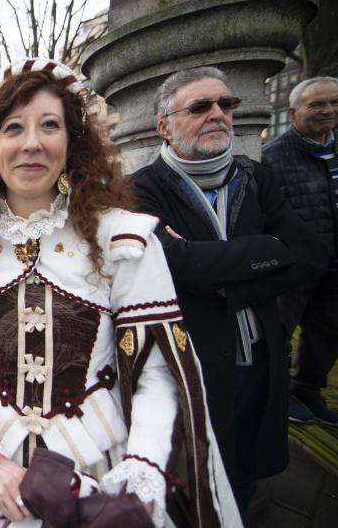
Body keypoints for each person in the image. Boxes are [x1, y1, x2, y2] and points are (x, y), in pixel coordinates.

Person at [0, 58, 239, 528]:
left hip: (99, 460)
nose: (31, 144)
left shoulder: (125, 240)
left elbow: (158, 374)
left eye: (50, 125)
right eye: (13, 128)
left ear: (72, 142)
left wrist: (142, 477)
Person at [131, 66, 327, 518]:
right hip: (191, 357)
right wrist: (266, 251)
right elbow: (174, 266)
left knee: (245, 464)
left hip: (261, 353)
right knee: (192, 464)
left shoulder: (257, 178)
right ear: (165, 126)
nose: (217, 114)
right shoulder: (141, 190)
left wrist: (222, 280)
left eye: (226, 104)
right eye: (200, 107)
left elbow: (309, 253)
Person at [262, 76, 338, 426]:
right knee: (278, 332)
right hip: (293, 266)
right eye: (318, 104)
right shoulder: (273, 157)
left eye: (334, 103)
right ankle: (278, 395)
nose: (328, 111)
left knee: (326, 332)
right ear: (293, 112)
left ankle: (307, 389)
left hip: (333, 264)